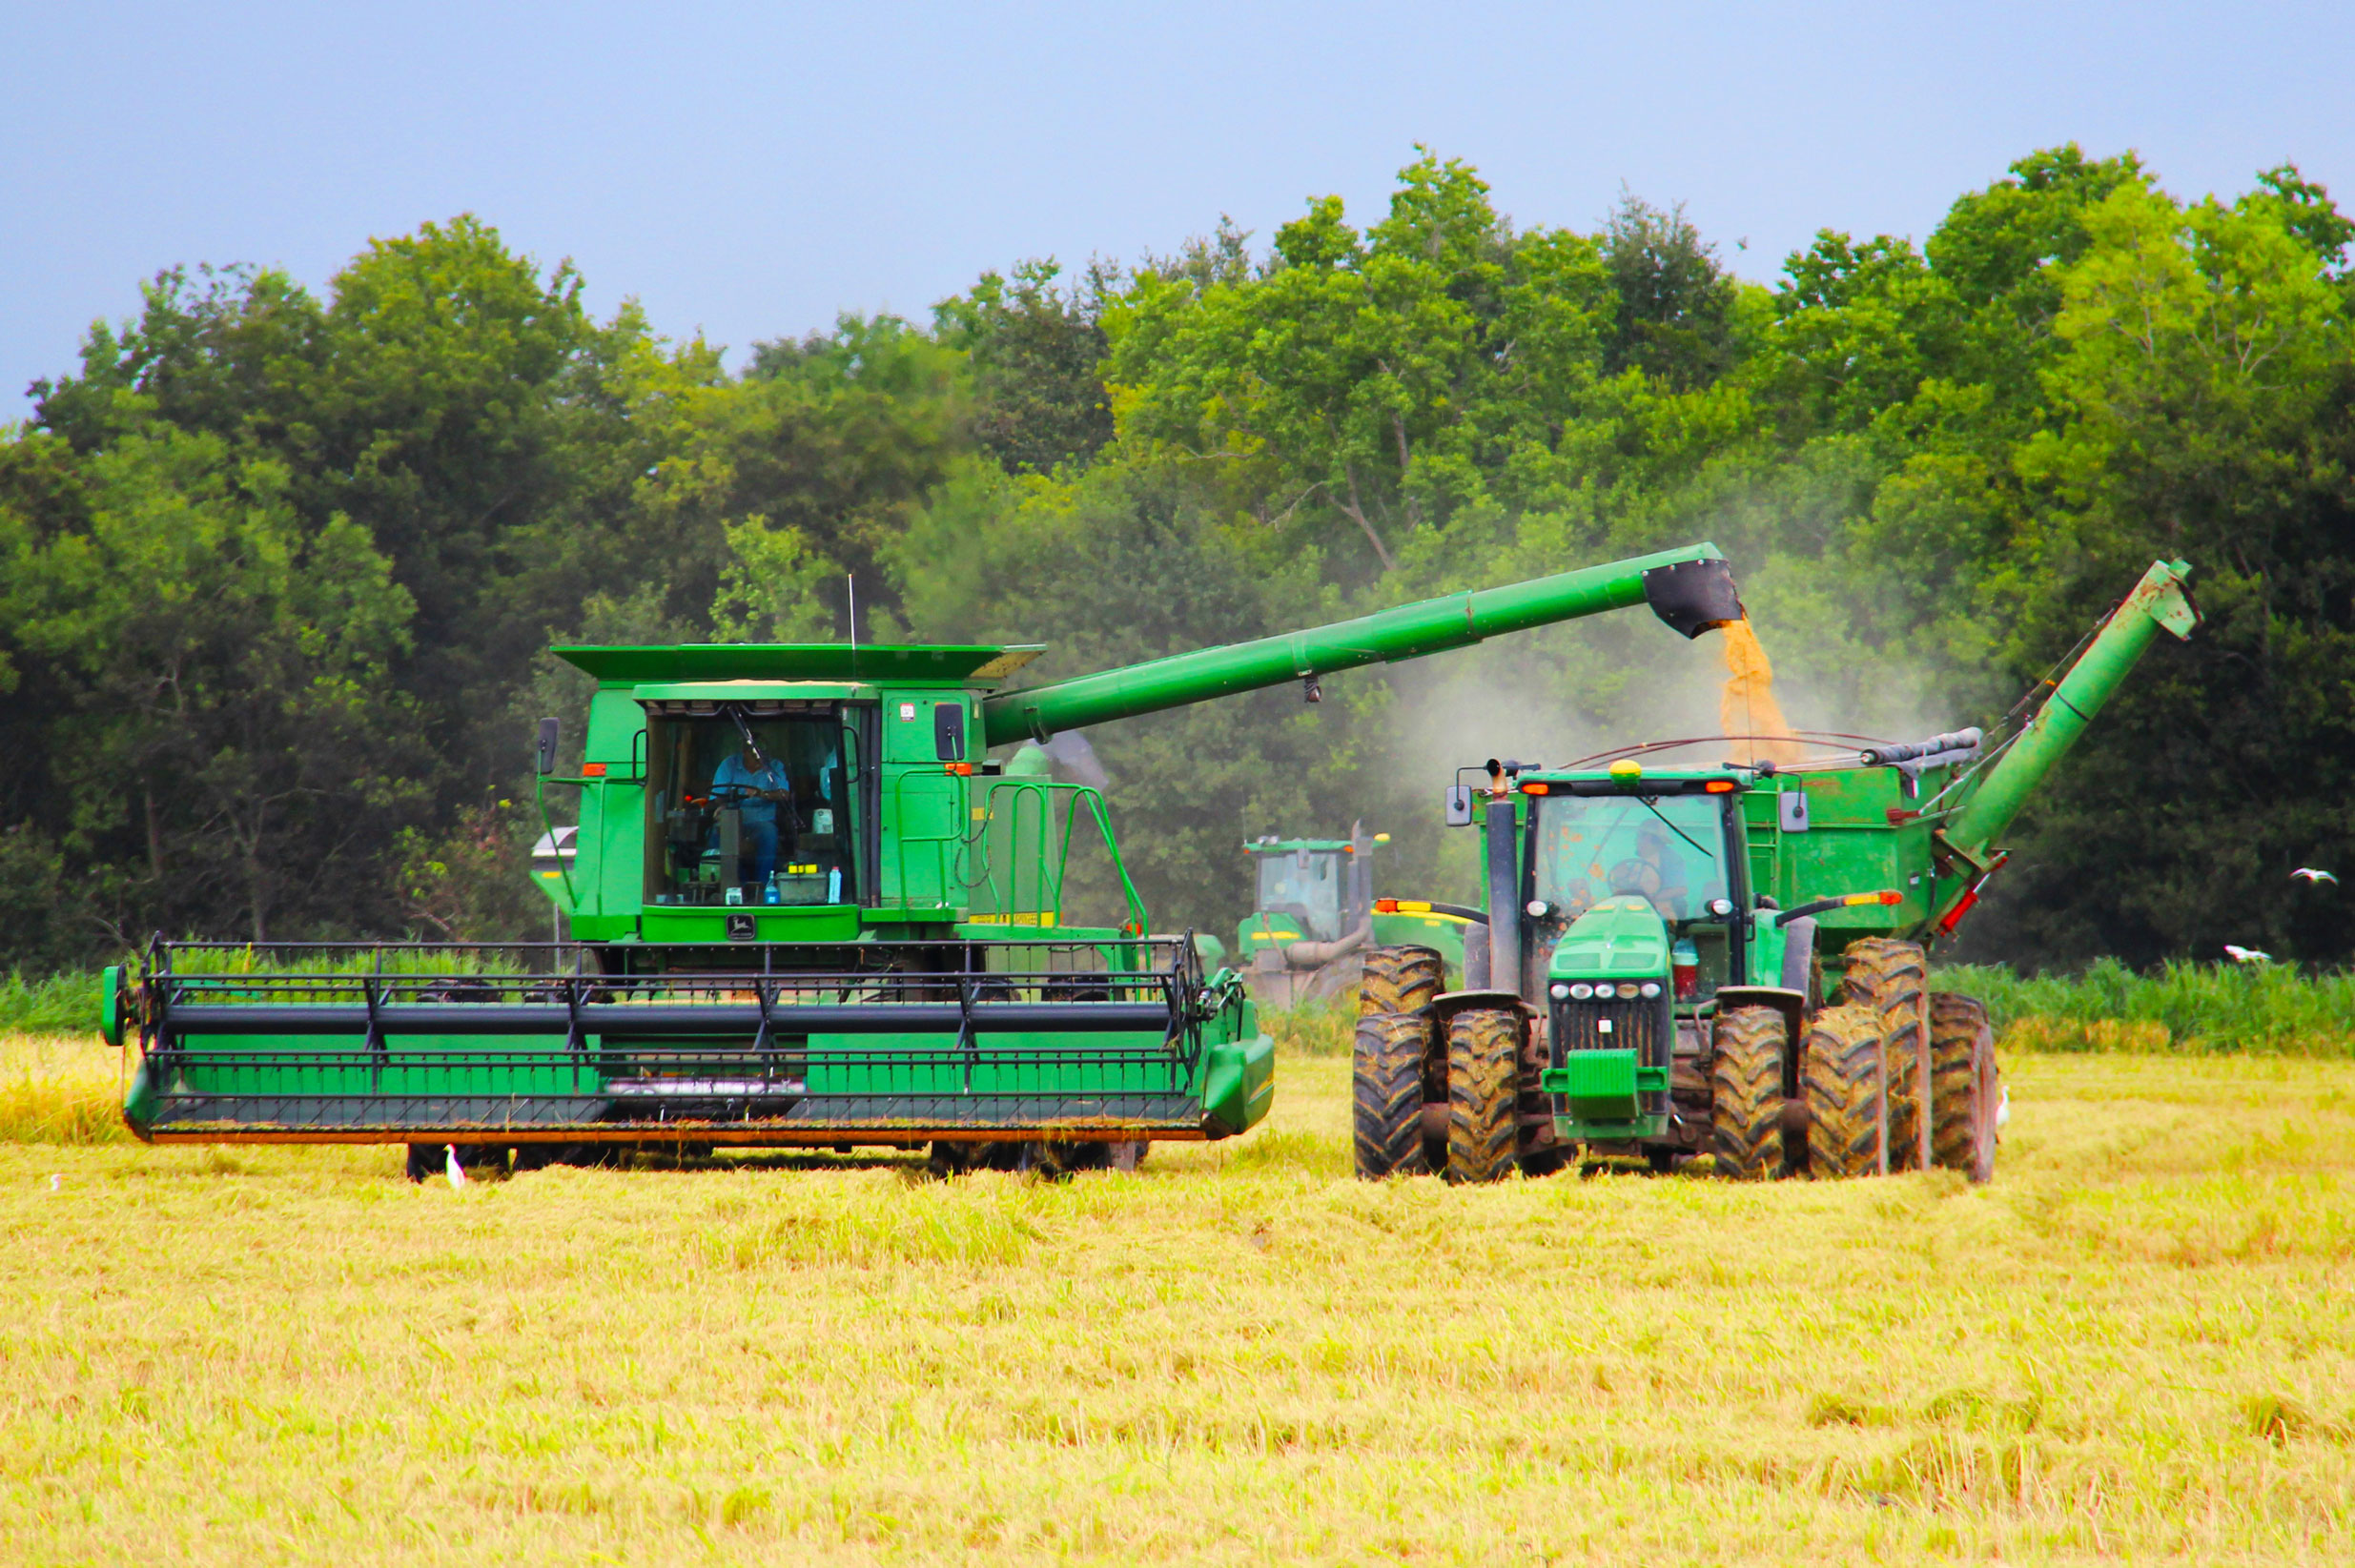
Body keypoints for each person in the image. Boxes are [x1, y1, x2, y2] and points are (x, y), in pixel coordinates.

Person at [711, 745, 793, 890]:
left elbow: (784, 794)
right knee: (716, 834)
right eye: (754, 754)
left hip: (763, 821)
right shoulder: (729, 764)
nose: (759, 758)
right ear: (744, 752)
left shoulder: (774, 766)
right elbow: (717, 795)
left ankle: (762, 886)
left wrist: (762, 794)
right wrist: (724, 804)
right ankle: (728, 885)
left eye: (762, 753)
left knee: (769, 833)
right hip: (734, 818)